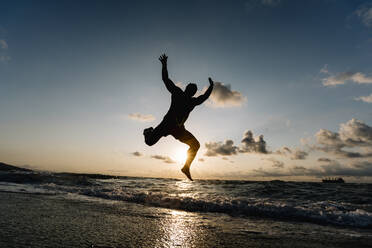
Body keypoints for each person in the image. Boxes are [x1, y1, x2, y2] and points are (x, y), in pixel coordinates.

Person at [143, 54, 214, 181]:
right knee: (149, 142)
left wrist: (211, 87)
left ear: (193, 93)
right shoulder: (177, 93)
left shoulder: (192, 102)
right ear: (186, 88)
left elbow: (204, 97)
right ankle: (147, 132)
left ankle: (186, 167)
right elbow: (166, 80)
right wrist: (164, 65)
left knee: (196, 145)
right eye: (190, 89)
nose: (191, 92)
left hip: (179, 130)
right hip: (166, 125)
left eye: (193, 91)